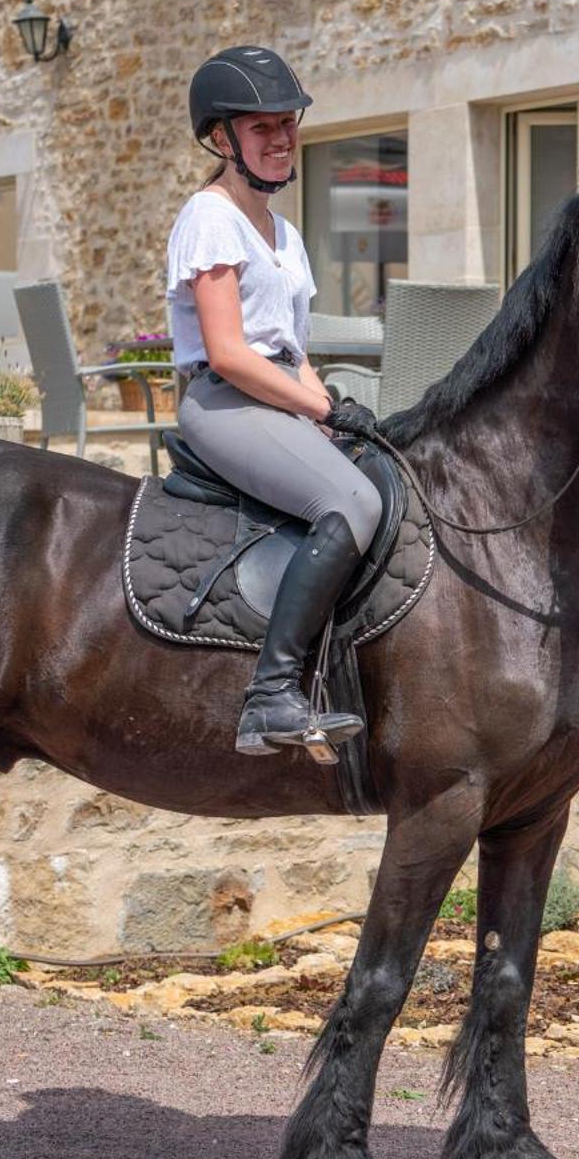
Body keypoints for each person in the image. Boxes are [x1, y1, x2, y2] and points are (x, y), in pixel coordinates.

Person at [167, 46, 384, 757]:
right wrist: (314, 410)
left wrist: (326, 401)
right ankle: (271, 694)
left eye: (287, 124)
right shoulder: (211, 217)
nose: (281, 138)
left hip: (275, 399)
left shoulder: (283, 234)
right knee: (351, 504)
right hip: (223, 401)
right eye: (262, 128)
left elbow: (292, 348)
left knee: (384, 476)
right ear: (223, 139)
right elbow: (229, 350)